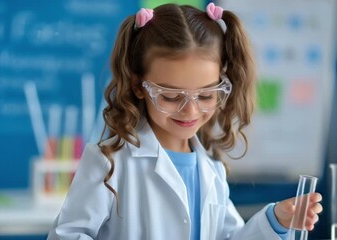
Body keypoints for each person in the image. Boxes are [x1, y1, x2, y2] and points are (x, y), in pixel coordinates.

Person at [47, 3, 322, 240]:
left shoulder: (211, 169)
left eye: (205, 95)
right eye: (169, 96)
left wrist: (275, 219)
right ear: (139, 86)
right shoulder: (110, 162)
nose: (190, 111)